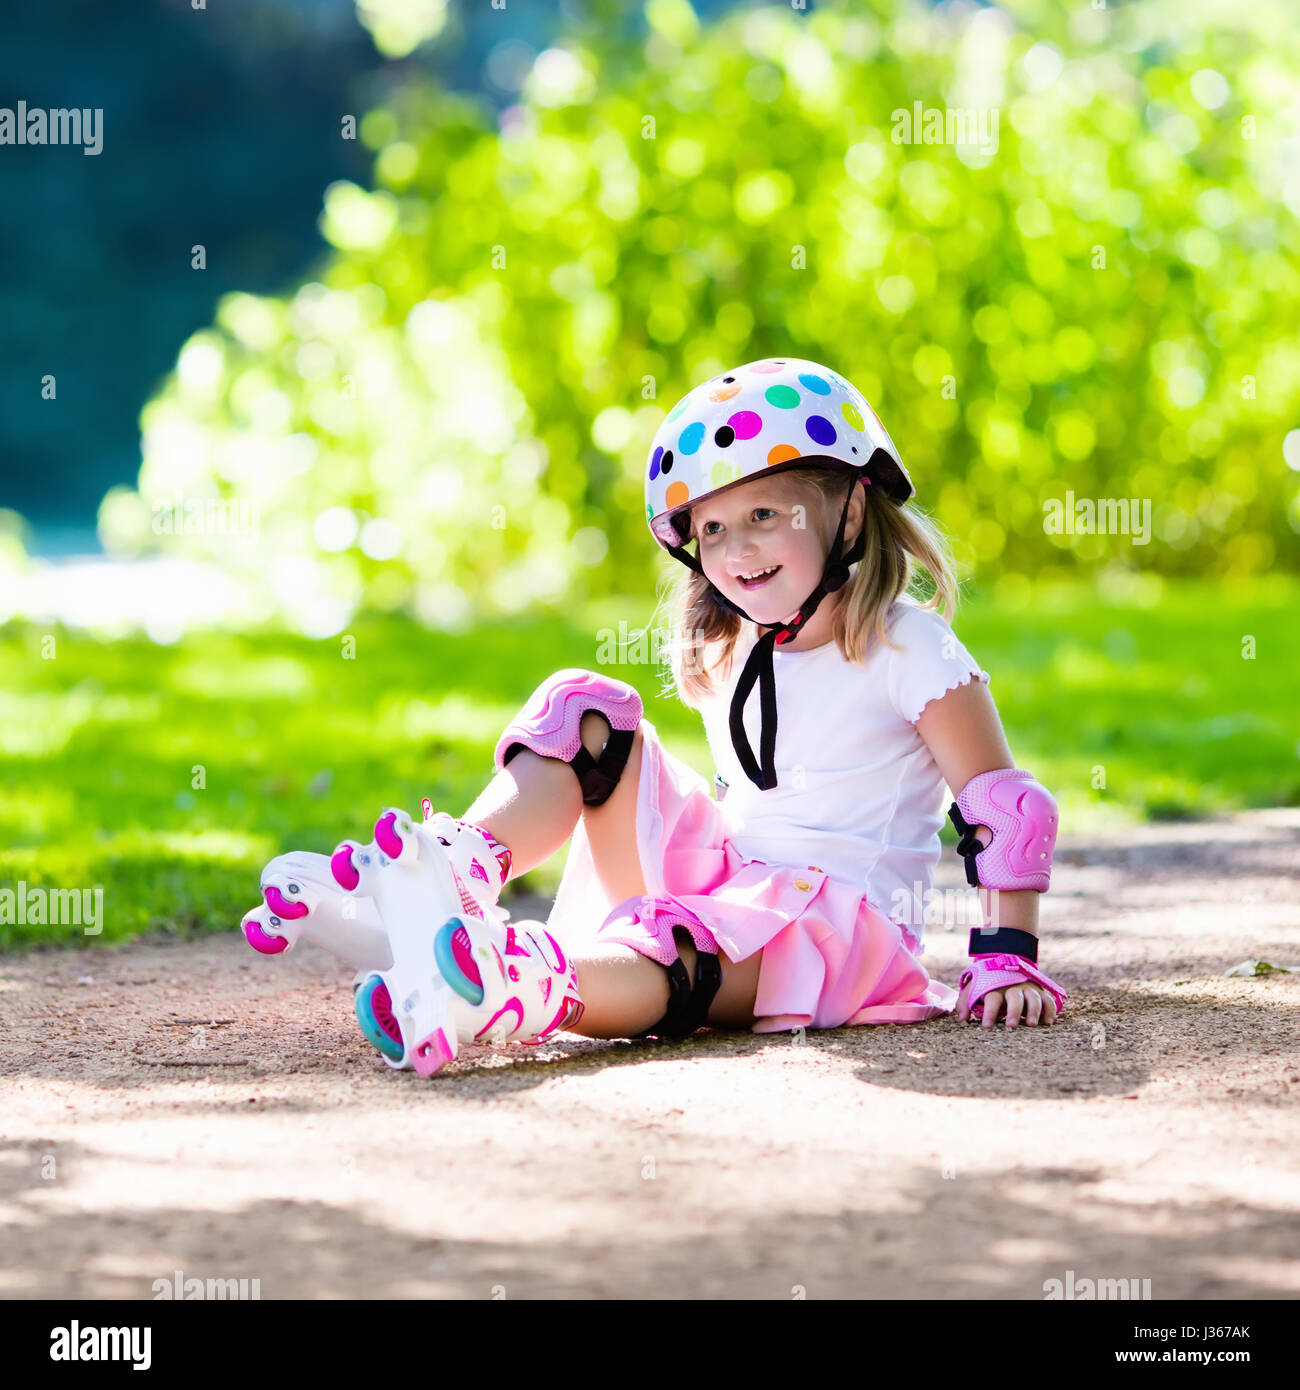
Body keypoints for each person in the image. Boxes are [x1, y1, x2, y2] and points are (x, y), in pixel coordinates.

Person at [241, 356, 1067, 1077]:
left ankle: (514, 986)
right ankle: (453, 878)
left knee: (682, 945)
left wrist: (1007, 957)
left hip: (840, 936)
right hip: (734, 882)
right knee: (586, 714)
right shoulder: (741, 644)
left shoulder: (908, 645)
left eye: (765, 515)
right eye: (712, 529)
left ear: (849, 511)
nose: (736, 550)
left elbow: (1005, 812)